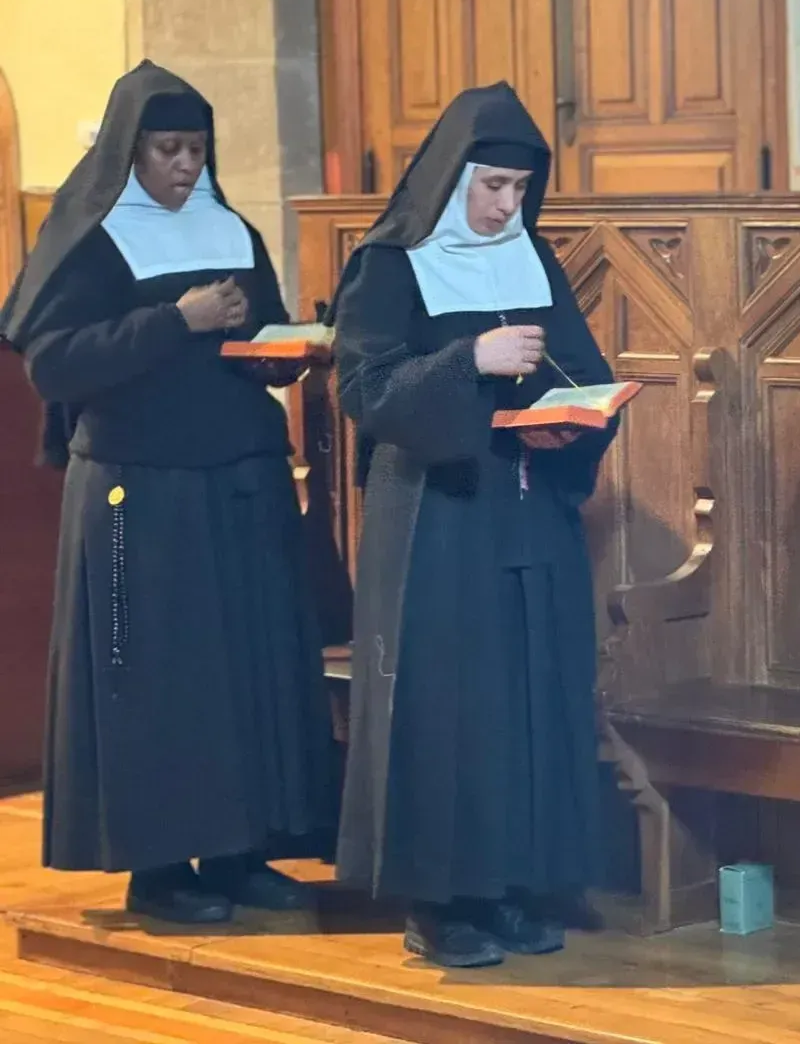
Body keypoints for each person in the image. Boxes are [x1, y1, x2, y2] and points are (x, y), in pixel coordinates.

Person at [0, 61, 336, 924]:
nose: (187, 165)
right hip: (136, 492)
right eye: (169, 148)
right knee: (152, 679)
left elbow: (257, 329)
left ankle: (238, 853)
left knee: (241, 671)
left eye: (198, 148)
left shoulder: (229, 228)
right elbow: (56, 362)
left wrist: (287, 351)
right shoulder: (96, 237)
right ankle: (157, 870)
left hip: (238, 480)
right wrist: (172, 321)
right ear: (131, 152)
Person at [330, 82, 616, 969]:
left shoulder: (535, 263)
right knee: (448, 708)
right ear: (452, 178)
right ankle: (440, 904)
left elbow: (581, 369)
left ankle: (513, 886)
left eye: (520, 192)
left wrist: (580, 416)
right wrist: (468, 362)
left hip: (529, 516)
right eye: (492, 186)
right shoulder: (391, 264)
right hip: (437, 522)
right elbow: (364, 392)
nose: (506, 206)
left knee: (526, 701)